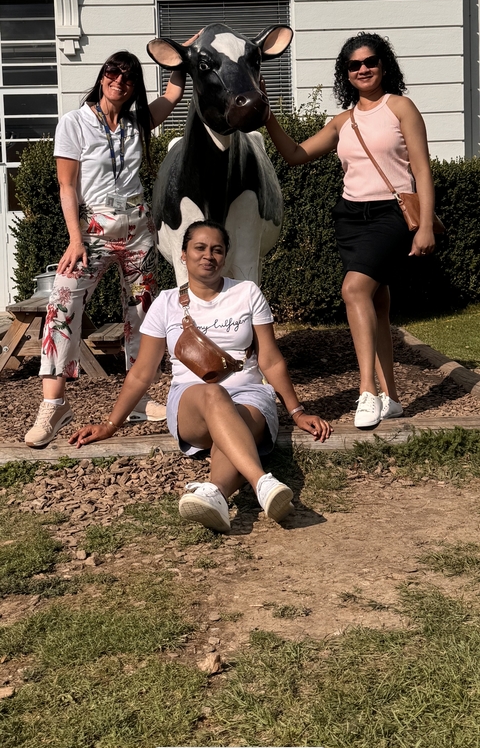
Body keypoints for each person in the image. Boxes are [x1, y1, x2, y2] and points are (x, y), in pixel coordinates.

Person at [69, 220, 333, 533]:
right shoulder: (165, 304)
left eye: (217, 250)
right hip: (192, 402)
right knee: (214, 394)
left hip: (250, 397)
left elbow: (270, 359)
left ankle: (215, 495)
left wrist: (297, 411)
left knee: (232, 428)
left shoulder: (247, 293)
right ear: (184, 254)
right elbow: (142, 372)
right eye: (200, 248)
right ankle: (262, 481)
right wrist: (111, 424)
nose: (209, 255)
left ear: (225, 257)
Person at [262, 32, 436, 430]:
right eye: (354, 65)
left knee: (353, 290)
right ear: (346, 73)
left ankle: (366, 391)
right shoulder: (344, 121)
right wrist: (269, 115)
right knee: (376, 303)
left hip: (391, 216)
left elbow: (422, 170)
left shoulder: (401, 107)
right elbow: (296, 155)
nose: (363, 69)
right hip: (350, 218)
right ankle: (392, 397)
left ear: (383, 65)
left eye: (370, 62)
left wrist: (424, 225)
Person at [25, 47, 191, 447]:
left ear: (134, 87)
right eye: (112, 73)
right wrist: (75, 238)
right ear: (102, 77)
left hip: (138, 229)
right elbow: (67, 186)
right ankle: (54, 405)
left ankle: (137, 401)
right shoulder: (75, 123)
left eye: (128, 77)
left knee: (143, 313)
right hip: (94, 229)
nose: (119, 80)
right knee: (62, 303)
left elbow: (173, 92)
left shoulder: (139, 122)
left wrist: (182, 53)